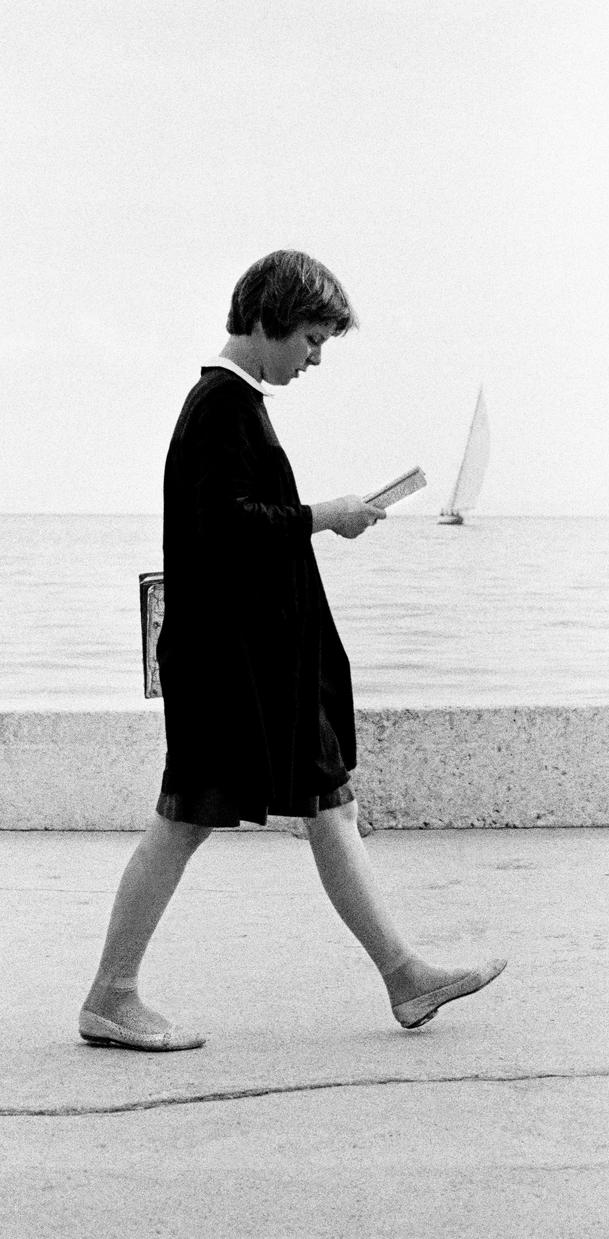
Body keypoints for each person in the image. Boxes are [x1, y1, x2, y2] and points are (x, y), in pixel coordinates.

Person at [79, 250, 506, 1051]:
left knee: (327, 803)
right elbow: (230, 528)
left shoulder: (234, 405)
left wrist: (323, 517)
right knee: (183, 818)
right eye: (311, 338)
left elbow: (232, 528)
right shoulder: (219, 406)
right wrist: (326, 512)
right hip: (226, 668)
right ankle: (111, 993)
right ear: (272, 319)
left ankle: (404, 975)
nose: (315, 358)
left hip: (254, 665)